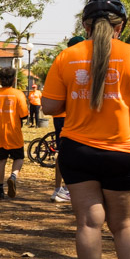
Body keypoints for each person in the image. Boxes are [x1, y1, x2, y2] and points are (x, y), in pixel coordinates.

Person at [41, 0, 130, 259]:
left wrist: (78, 99)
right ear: (120, 26)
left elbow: (49, 106)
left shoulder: (67, 57)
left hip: (77, 150)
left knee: (88, 222)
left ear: (85, 26)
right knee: (125, 225)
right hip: (124, 151)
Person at [0, 67, 29, 201]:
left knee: (0, 161)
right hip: (14, 134)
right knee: (18, 158)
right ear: (14, 80)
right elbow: (24, 115)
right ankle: (13, 176)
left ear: (0, 79)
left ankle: (0, 190)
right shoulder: (18, 94)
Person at [50, 36, 85, 204]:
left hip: (59, 116)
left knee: (62, 152)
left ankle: (59, 188)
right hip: (73, 115)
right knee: (79, 152)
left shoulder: (62, 61)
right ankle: (70, 189)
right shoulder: (82, 63)